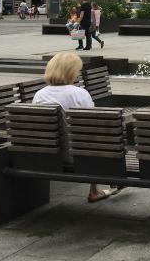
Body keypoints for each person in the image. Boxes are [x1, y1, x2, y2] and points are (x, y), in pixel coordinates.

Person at [32, 53, 120, 203]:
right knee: (99, 135)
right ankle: (105, 184)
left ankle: (101, 187)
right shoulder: (79, 94)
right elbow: (93, 127)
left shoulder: (40, 95)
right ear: (71, 72)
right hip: (79, 158)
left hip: (49, 156)